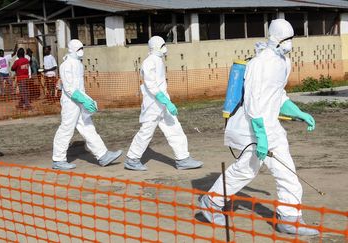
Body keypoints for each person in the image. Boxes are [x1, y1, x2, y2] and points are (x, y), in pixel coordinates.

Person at [198, 19, 319, 236]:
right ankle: (211, 202)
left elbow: (278, 96)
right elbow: (254, 102)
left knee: (287, 170)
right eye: (288, 38)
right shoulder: (259, 63)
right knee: (246, 169)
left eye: (292, 38)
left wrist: (299, 113)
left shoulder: (284, 62)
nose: (291, 43)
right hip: (251, 127)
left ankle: (289, 218)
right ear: (277, 38)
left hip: (271, 127)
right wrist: (261, 136)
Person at [124, 36, 203, 171]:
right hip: (153, 105)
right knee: (146, 132)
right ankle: (132, 159)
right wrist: (166, 101)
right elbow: (151, 85)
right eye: (162, 45)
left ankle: (183, 159)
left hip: (163, 104)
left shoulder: (158, 60)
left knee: (175, 129)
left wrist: (167, 102)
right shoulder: (149, 62)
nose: (165, 48)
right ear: (155, 47)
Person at [52, 39, 122, 170]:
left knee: (88, 127)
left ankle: (103, 155)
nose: (81, 51)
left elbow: (80, 87)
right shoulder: (66, 65)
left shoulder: (78, 64)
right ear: (72, 50)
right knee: (66, 128)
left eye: (82, 48)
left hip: (79, 100)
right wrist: (83, 99)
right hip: (70, 102)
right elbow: (68, 88)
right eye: (79, 49)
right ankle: (58, 159)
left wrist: (86, 100)